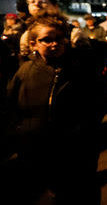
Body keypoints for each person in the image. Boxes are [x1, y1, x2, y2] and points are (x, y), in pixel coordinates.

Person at [4, 12, 101, 204]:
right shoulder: (25, 73)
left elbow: (97, 101)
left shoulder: (78, 68)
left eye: (58, 39)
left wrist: (87, 132)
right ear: (33, 43)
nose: (54, 44)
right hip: (40, 151)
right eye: (46, 40)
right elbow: (11, 109)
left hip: (76, 151)